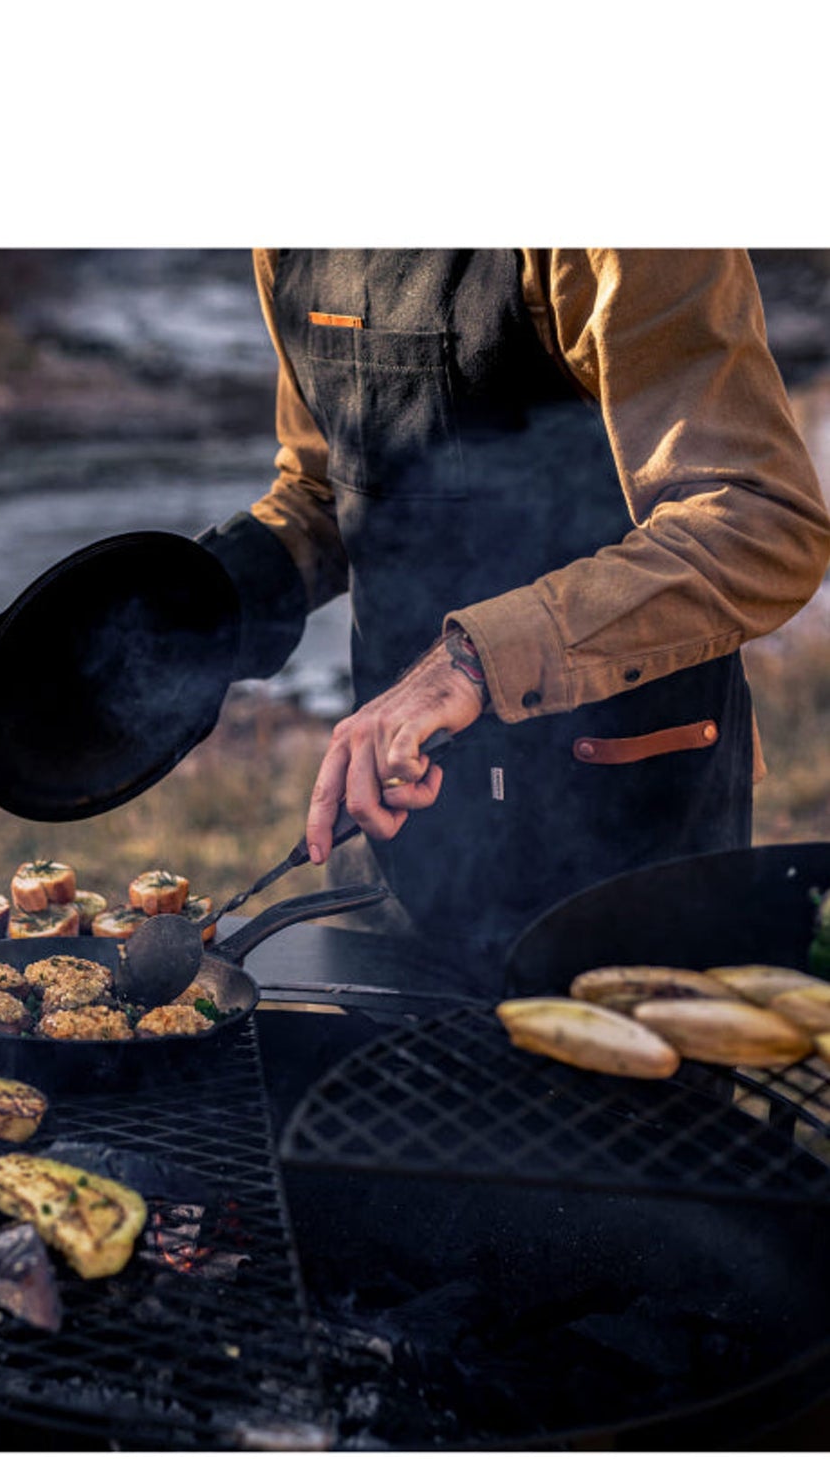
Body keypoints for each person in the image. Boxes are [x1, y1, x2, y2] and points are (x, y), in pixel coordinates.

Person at [196, 249, 830, 982]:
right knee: (363, 1085)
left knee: (626, 1098)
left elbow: (756, 520)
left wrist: (471, 663)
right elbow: (323, 488)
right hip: (395, 823)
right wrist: (191, 608)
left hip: (618, 833)